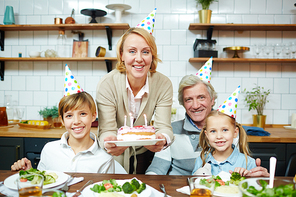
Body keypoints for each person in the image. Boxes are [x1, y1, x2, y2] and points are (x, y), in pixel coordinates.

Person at [96, 12, 174, 174]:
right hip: (113, 157)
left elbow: (164, 127)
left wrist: (162, 139)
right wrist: (108, 142)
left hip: (145, 156)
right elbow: (107, 130)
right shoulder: (107, 84)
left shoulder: (163, 84)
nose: (139, 58)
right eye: (132, 51)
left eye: (145, 52)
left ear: (152, 56)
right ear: (121, 55)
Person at [11, 65, 126, 174]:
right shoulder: (49, 150)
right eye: (69, 116)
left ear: (93, 115)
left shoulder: (104, 158)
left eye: (82, 113)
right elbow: (43, 183)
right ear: (62, 120)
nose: (76, 121)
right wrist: (29, 172)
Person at [146, 74, 217, 175]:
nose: (196, 105)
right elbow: (156, 169)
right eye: (189, 99)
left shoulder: (228, 130)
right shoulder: (170, 131)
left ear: (212, 100)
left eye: (201, 97)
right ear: (183, 103)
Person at [192, 110, 256, 176]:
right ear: (207, 135)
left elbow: (255, 184)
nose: (219, 136)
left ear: (235, 132)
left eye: (225, 130)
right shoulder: (200, 161)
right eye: (213, 131)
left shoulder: (249, 163)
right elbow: (194, 184)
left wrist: (248, 177)